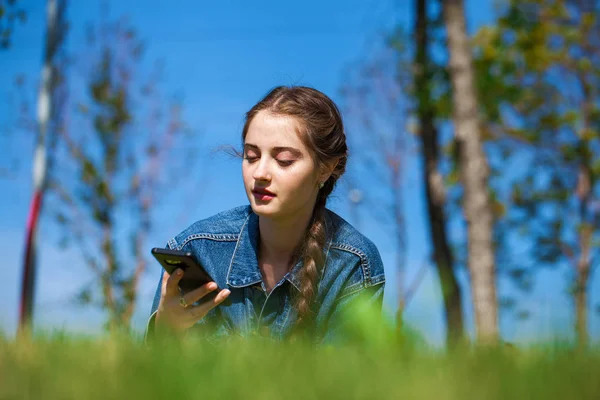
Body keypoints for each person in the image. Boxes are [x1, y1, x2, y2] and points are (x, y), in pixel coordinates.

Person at [147, 86, 385, 344]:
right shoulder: (198, 249)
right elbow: (155, 380)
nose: (260, 173)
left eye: (283, 160)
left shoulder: (352, 263)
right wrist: (164, 331)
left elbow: (351, 381)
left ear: (325, 169)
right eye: (251, 156)